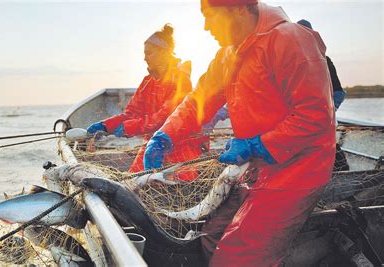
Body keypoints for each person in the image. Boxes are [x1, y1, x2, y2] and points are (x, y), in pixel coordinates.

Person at [143, 0, 336, 265]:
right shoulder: (227, 54)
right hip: (254, 167)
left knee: (238, 257)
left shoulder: (289, 39)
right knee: (210, 238)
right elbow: (199, 99)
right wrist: (165, 135)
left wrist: (257, 145)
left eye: (211, 17)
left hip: (297, 170)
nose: (206, 26)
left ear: (239, 9)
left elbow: (315, 114)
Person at [86, 24, 209, 181]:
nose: (145, 58)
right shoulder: (147, 82)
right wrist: (105, 125)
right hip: (152, 145)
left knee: (182, 185)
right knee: (132, 182)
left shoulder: (180, 80)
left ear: (164, 53)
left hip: (181, 144)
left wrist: (129, 127)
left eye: (149, 53)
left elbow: (166, 118)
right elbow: (131, 112)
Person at [297, 19, 349, 171]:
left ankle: (342, 176)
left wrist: (326, 112)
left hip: (321, 119)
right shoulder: (290, 60)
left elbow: (338, 93)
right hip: (300, 121)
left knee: (331, 152)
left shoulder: (325, 60)